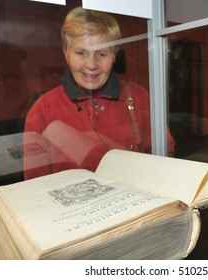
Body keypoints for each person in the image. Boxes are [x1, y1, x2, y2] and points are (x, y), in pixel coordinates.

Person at [23, 7, 175, 180]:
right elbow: (34, 183)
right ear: (66, 53)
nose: (91, 64)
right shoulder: (43, 109)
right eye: (81, 53)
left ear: (114, 55)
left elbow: (165, 157)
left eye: (101, 54)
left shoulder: (138, 96)